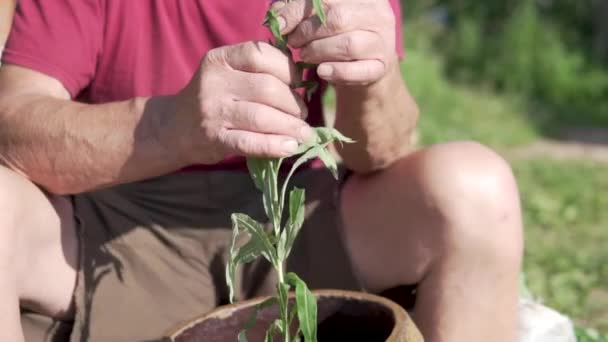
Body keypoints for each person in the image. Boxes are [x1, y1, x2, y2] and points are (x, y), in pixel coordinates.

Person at [0, 1, 523, 341]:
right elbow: (14, 128)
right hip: (115, 227)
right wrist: (169, 126)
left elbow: (378, 152)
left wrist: (372, 76)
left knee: (474, 188)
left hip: (296, 216)